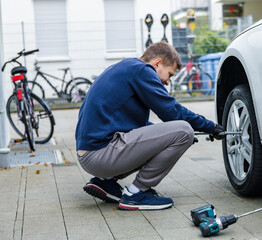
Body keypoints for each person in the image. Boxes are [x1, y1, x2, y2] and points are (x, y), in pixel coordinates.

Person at [75, 41, 225, 211]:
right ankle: (136, 193)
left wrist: (169, 139)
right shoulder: (143, 70)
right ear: (157, 63)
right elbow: (172, 112)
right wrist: (209, 126)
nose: (167, 82)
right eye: (170, 74)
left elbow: (137, 126)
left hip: (90, 155)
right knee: (184, 130)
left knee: (179, 133)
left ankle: (105, 182)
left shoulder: (126, 68)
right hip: (101, 155)